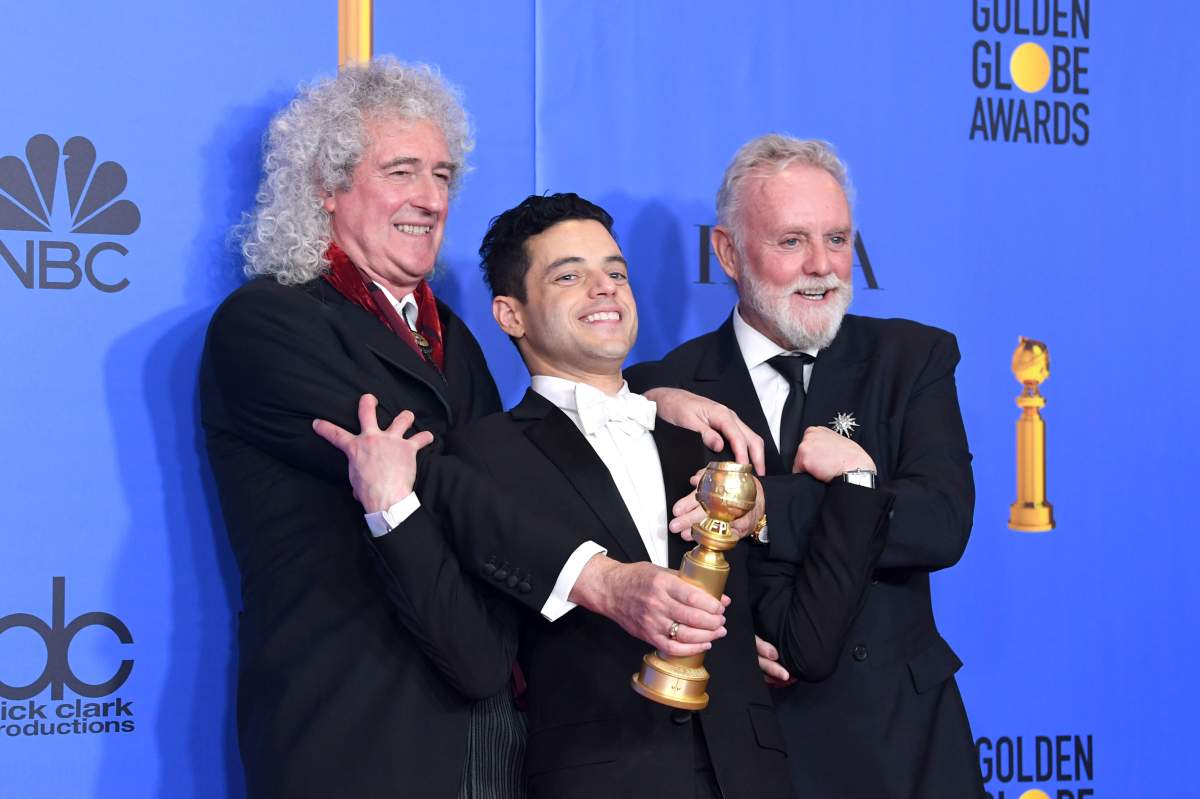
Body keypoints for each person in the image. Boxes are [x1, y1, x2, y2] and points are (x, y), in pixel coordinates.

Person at [200, 59, 758, 798]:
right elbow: (439, 480)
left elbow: (523, 478)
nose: (430, 198)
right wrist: (600, 580)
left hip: (491, 731)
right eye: (402, 172)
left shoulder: (451, 338)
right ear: (327, 188)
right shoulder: (268, 324)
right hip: (358, 734)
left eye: (442, 175)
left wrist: (647, 398)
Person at [316, 193, 895, 799]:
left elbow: (806, 644)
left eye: (616, 272)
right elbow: (474, 660)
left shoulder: (708, 444)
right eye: (570, 275)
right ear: (510, 315)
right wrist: (391, 510)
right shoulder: (479, 459)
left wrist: (856, 486)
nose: (604, 289)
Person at [626, 135, 985, 798]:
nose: (823, 266)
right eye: (792, 241)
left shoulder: (912, 359)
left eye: (839, 239)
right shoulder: (666, 388)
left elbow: (941, 522)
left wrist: (760, 507)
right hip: (746, 746)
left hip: (901, 743)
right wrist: (731, 652)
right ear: (728, 253)